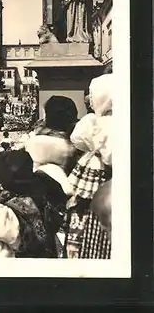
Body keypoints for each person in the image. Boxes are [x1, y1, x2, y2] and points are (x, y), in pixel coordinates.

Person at [65, 74, 112, 259]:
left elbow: (78, 139)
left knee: (85, 213)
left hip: (96, 179)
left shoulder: (95, 123)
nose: (90, 100)